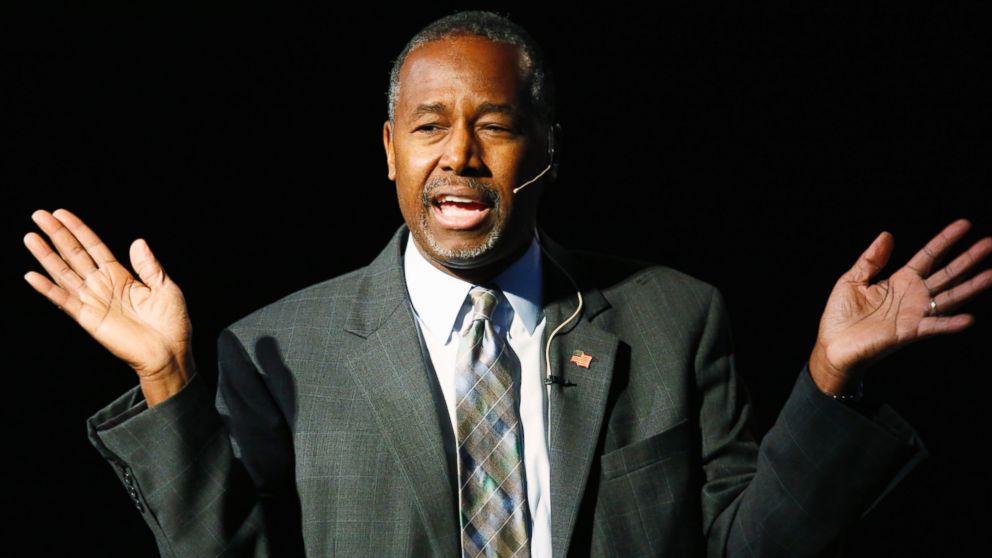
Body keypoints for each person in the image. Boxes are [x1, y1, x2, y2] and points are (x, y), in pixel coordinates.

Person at [21, 10, 991, 558]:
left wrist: (826, 379)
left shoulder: (673, 317)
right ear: (389, 152)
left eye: (494, 121)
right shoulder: (280, 348)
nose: (461, 154)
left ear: (546, 149)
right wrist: (168, 381)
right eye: (430, 123)